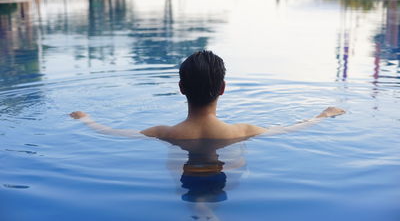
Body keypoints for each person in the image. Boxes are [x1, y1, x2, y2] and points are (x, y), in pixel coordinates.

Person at [70, 50, 345, 139]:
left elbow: (113, 132)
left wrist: (85, 119)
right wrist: (323, 115)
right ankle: (204, 203)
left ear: (181, 88)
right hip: (226, 152)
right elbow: (289, 129)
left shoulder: (163, 133)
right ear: (223, 89)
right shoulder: (242, 131)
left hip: (182, 155)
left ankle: (200, 203)